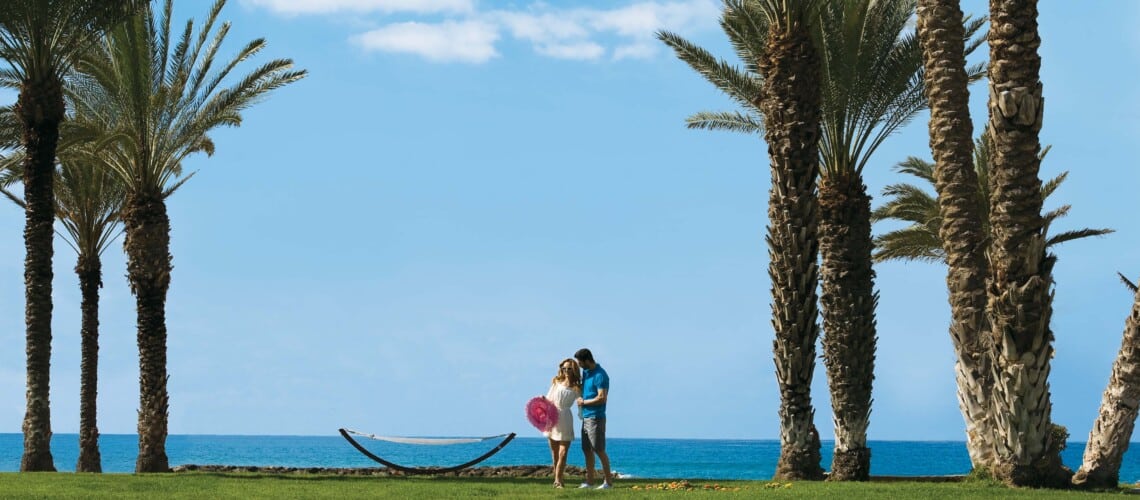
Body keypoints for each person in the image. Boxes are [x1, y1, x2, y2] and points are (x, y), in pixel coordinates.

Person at [574, 348, 613, 489]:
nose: (579, 365)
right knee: (586, 449)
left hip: (596, 417)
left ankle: (608, 482)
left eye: (580, 362)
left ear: (586, 360)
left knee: (599, 449)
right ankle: (589, 482)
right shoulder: (586, 373)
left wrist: (584, 402)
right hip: (586, 417)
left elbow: (602, 398)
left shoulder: (600, 375)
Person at [544, 358, 581, 488]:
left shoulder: (577, 387)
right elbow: (548, 399)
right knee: (554, 453)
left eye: (569, 368)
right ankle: (558, 479)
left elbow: (580, 403)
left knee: (563, 452)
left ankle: (558, 480)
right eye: (564, 368)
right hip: (552, 417)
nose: (566, 371)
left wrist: (582, 415)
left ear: (574, 370)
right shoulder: (556, 382)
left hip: (565, 417)